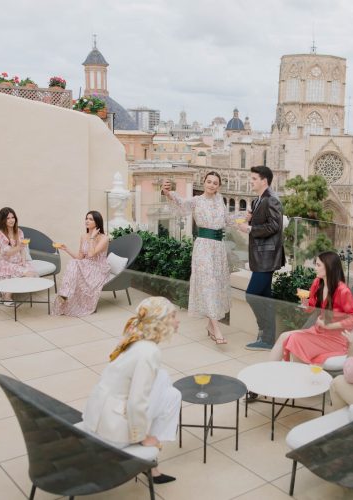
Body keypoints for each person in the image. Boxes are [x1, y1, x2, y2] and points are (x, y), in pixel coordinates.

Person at [77, 297, 181, 484]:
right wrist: (141, 437)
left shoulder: (135, 338)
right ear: (161, 321)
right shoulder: (149, 352)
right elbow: (136, 401)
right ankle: (151, 452)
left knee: (170, 390)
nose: (178, 320)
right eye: (173, 316)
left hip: (98, 417)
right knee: (170, 396)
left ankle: (152, 463)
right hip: (111, 433)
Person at [162, 172, 234, 344]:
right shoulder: (196, 201)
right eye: (209, 181)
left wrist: (245, 221)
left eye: (215, 183)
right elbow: (181, 203)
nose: (211, 185)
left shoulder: (220, 200)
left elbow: (228, 220)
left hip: (218, 249)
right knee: (208, 284)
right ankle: (217, 329)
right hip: (203, 248)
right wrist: (168, 193)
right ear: (203, 183)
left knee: (216, 285)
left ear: (219, 186)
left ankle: (210, 326)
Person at [270, 251, 353, 364]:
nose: (315, 268)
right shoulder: (317, 283)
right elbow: (311, 308)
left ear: (329, 267)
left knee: (296, 340)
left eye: (318, 265)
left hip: (335, 338)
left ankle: (299, 371)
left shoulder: (342, 291)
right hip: (318, 331)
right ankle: (269, 370)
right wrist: (305, 302)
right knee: (284, 336)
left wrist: (330, 325)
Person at [236, 165, 285, 351]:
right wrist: (249, 218)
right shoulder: (258, 200)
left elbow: (274, 226)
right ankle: (267, 339)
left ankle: (265, 334)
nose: (251, 181)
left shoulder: (271, 199)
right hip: (260, 257)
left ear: (264, 181)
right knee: (265, 298)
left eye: (254, 179)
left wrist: (249, 228)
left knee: (252, 295)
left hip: (267, 258)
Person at [51, 210, 112, 317]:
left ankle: (64, 294)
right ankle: (65, 293)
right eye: (86, 218)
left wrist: (92, 238)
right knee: (73, 263)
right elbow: (79, 257)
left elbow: (91, 254)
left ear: (97, 222)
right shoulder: (83, 236)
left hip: (99, 268)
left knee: (74, 264)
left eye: (90, 219)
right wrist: (66, 249)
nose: (87, 221)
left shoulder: (104, 238)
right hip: (86, 265)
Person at [0, 207, 37, 305]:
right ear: (2, 220)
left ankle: (5, 295)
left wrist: (23, 261)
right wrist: (19, 246)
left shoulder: (19, 231)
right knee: (25, 273)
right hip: (6, 263)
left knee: (31, 274)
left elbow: (23, 249)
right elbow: (6, 253)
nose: (11, 220)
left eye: (13, 217)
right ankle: (7, 297)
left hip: (18, 262)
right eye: (8, 218)